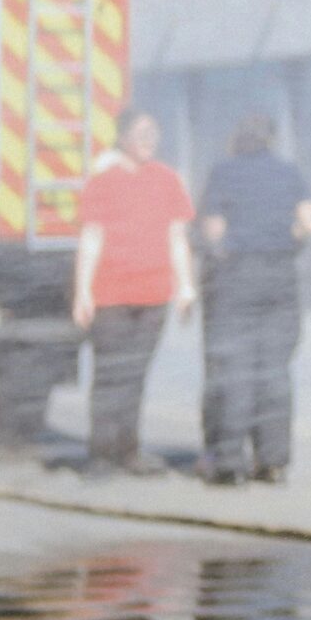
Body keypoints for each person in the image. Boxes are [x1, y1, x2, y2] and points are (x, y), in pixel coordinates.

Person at [72, 106, 197, 476]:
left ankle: (129, 450)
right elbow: (91, 238)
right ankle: (100, 455)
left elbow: (177, 238)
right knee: (110, 376)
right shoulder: (102, 182)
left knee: (136, 375)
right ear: (122, 137)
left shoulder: (168, 180)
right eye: (141, 133)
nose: (148, 141)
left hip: (153, 294)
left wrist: (186, 286)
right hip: (110, 294)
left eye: (153, 134)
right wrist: (83, 292)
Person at [196, 112, 311, 485]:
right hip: (280, 279)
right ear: (271, 138)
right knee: (274, 371)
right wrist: (285, 241)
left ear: (237, 137)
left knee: (234, 370)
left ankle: (230, 462)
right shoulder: (288, 172)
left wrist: (224, 250)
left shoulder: (224, 172)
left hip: (237, 278)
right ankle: (273, 460)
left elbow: (213, 231)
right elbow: (310, 223)